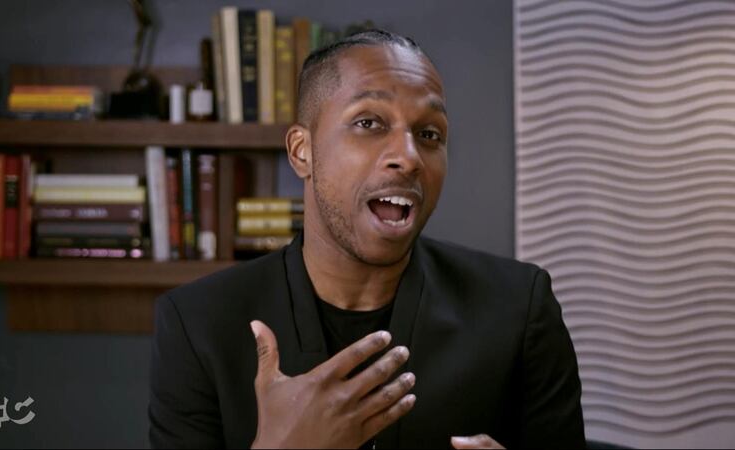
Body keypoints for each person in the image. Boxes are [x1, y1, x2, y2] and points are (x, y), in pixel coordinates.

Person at [149, 29, 585, 449]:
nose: (409, 158)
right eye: (369, 123)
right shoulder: (198, 324)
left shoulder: (518, 309)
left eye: (430, 134)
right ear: (303, 151)